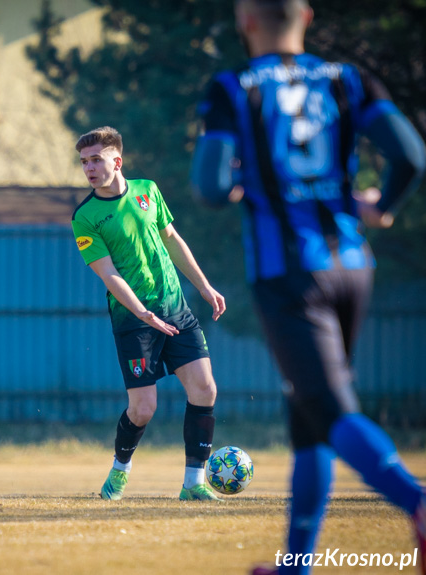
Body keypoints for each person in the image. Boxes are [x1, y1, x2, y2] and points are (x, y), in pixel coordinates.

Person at [190, 0, 426, 573]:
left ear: (246, 19)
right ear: (308, 17)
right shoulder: (350, 80)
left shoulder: (232, 86)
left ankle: (416, 502)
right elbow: (412, 156)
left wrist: (246, 186)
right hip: (352, 263)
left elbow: (210, 186)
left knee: (327, 406)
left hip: (289, 271)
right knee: (309, 414)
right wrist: (384, 206)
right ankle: (297, 563)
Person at [71, 126, 227, 502]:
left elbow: (172, 240)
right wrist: (142, 313)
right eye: (84, 162)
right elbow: (108, 274)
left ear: (117, 160)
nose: (89, 168)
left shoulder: (148, 191)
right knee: (143, 408)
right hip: (133, 320)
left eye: (96, 159)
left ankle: (193, 484)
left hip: (176, 308)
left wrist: (204, 286)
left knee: (205, 389)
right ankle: (119, 472)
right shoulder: (85, 217)